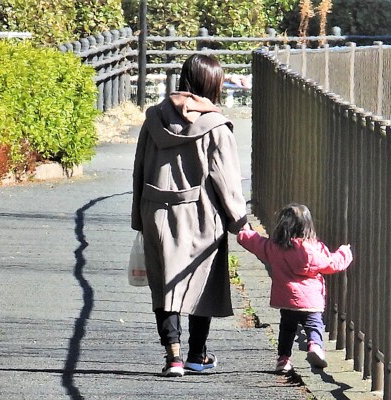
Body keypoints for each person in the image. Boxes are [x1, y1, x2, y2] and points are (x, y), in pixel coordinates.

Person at [132, 53, 247, 377]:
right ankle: (197, 354)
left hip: (156, 210)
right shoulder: (216, 126)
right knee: (201, 281)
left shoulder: (153, 118)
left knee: (164, 283)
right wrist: (240, 222)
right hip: (201, 213)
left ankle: (173, 357)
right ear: (212, 84)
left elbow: (139, 168)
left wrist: (139, 218)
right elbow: (226, 180)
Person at [237, 204, 352, 374]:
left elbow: (257, 243)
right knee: (314, 325)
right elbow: (331, 263)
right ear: (308, 225)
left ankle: (283, 360)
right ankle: (315, 346)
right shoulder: (313, 249)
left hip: (286, 299)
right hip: (311, 300)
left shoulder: (275, 247)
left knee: (287, 329)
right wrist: (345, 252)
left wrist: (245, 231)